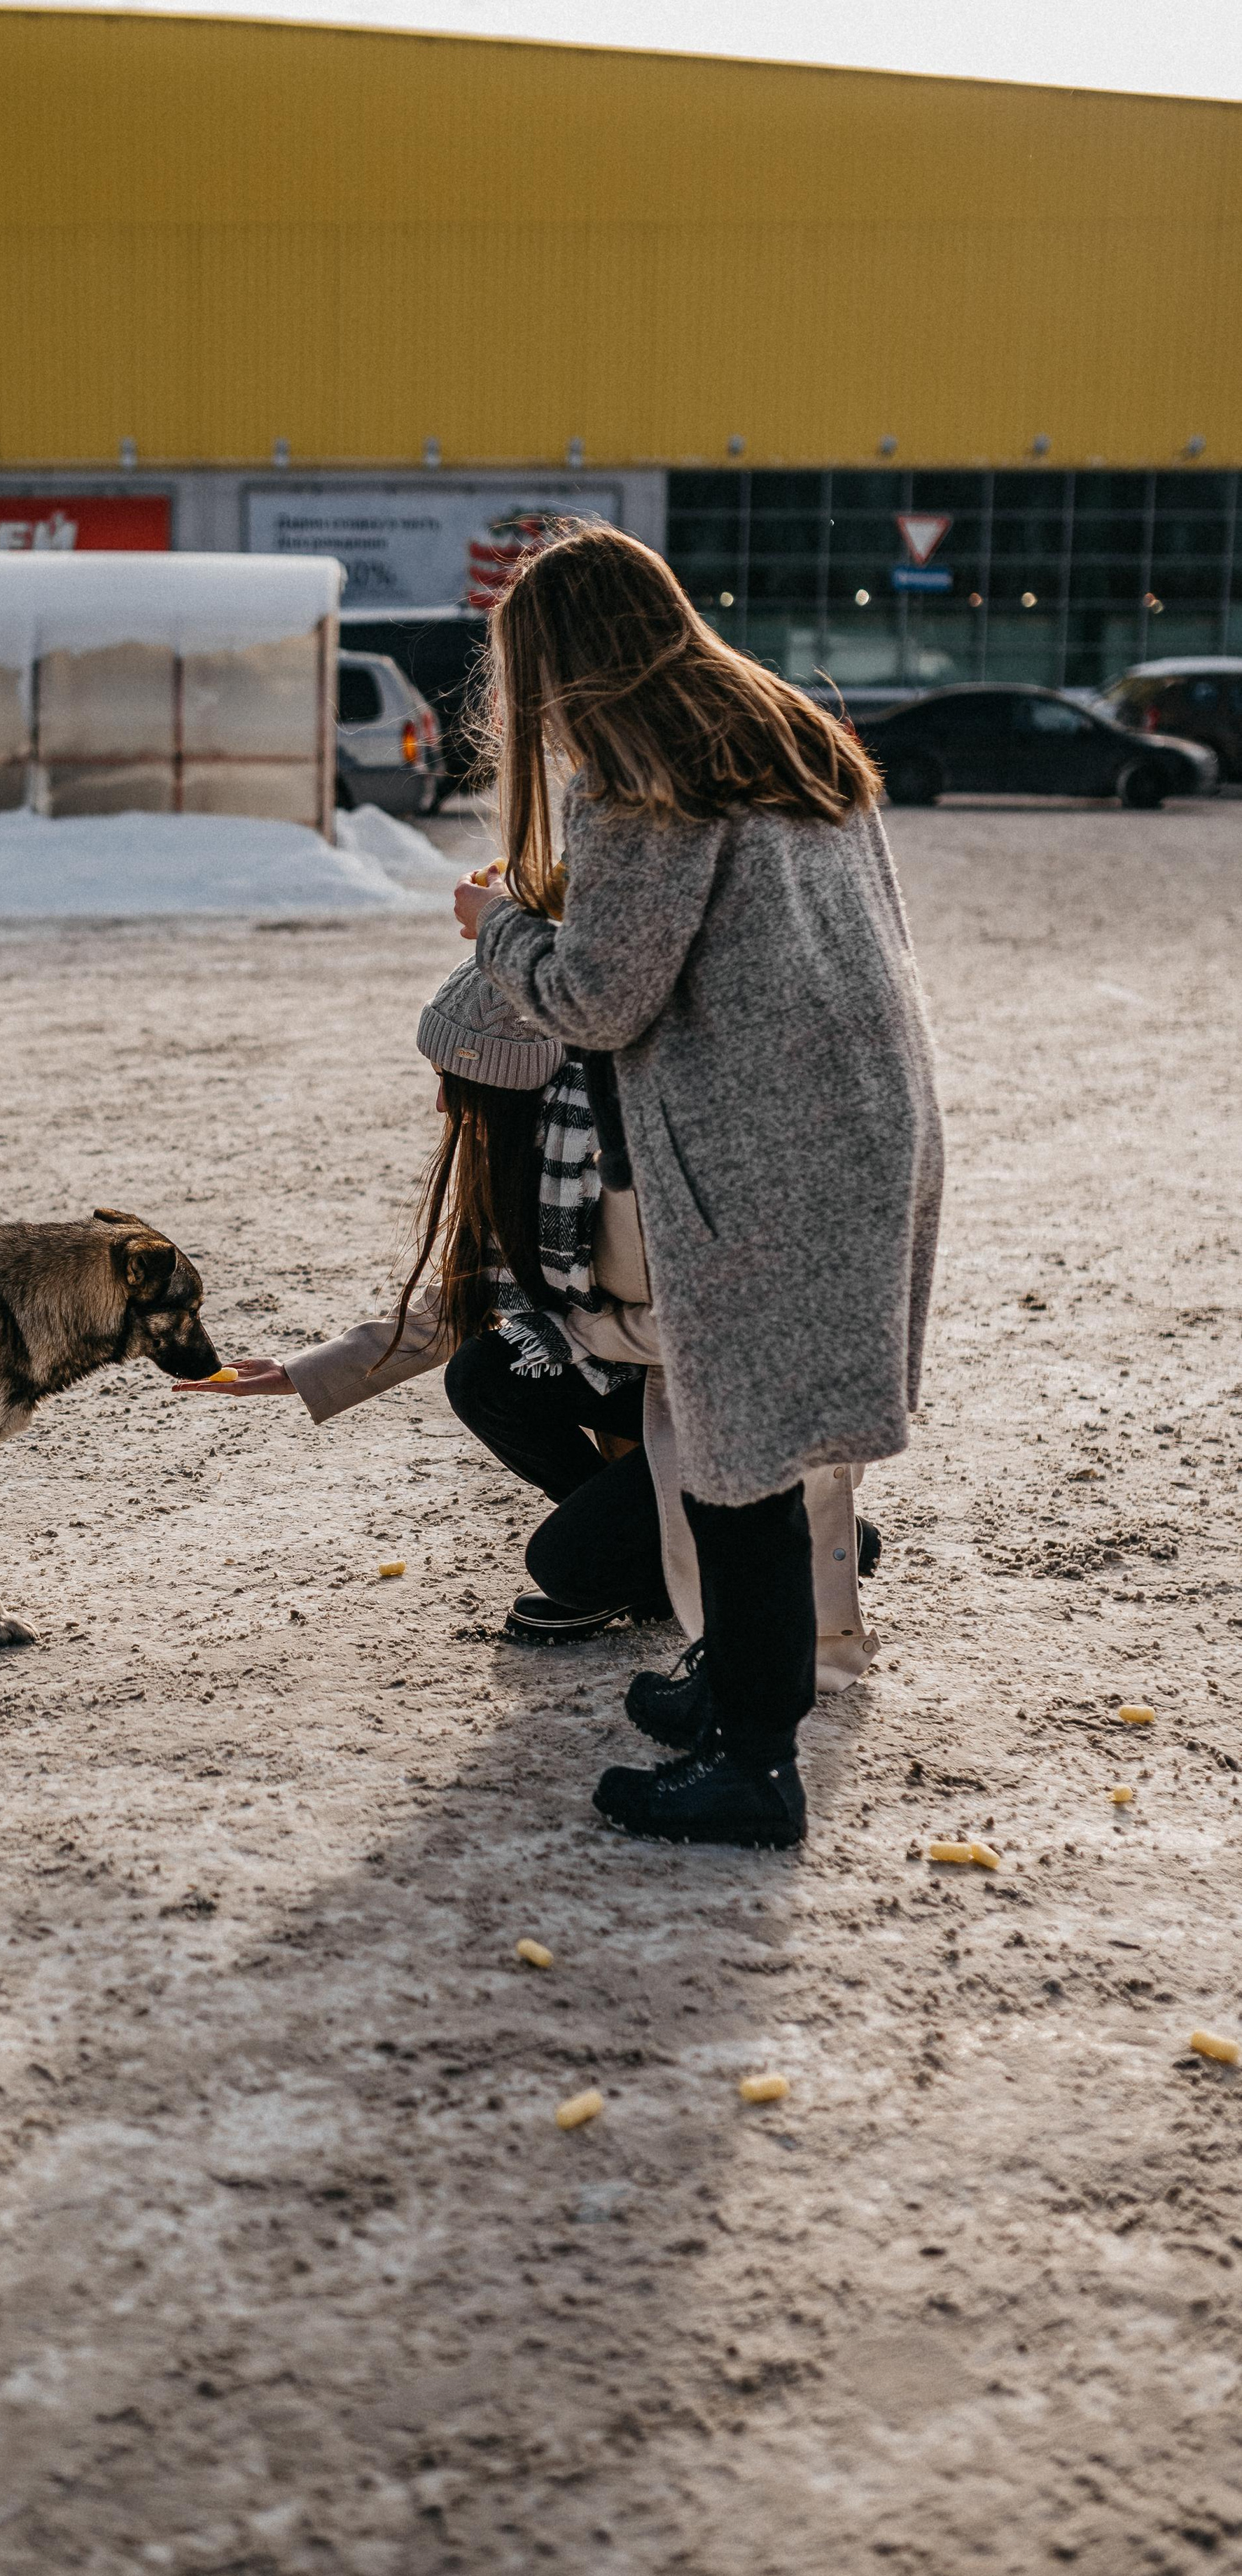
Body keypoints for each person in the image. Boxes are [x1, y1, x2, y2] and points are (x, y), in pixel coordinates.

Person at [452, 522, 943, 1850]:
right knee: (757, 1437)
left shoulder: (643, 775)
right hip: (854, 1121)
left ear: (558, 663)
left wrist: (495, 924)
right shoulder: (780, 728)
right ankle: (736, 1682)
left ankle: (753, 1760)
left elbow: (600, 998)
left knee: (735, 1451)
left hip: (754, 1145)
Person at [173, 955, 881, 1728]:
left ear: (507, 1081)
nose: (442, 1100)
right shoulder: (533, 1143)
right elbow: (461, 1305)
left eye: (454, 1078)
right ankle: (681, 1549)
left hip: (736, 1398)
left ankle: (759, 1532)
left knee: (563, 1566)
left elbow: (714, 1323)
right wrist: (304, 1371)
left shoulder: (621, 1160)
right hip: (648, 1376)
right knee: (485, 1372)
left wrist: (575, 1329)